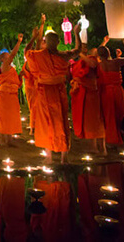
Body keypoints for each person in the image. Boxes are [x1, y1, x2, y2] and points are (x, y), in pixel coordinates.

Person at [25, 22, 81, 164]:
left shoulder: (51, 55)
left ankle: (54, 156)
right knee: (59, 122)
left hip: (49, 91)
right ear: (58, 42)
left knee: (52, 123)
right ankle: (61, 157)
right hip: (53, 91)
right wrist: (76, 33)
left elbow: (26, 52)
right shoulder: (63, 56)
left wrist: (33, 38)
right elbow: (78, 49)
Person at [70, 46, 106, 155]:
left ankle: (101, 148)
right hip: (82, 92)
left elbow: (92, 64)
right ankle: (94, 146)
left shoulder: (92, 60)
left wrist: (80, 54)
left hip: (91, 93)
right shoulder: (79, 62)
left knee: (95, 120)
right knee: (87, 121)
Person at [97, 36, 124, 145]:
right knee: (119, 113)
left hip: (105, 92)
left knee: (108, 115)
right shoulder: (116, 62)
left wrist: (104, 42)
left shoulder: (98, 65)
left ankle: (110, 138)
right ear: (108, 53)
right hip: (117, 91)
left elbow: (99, 52)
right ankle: (120, 137)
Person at [0, 34, 24, 145]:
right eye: (7, 56)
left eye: (9, 55)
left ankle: (10, 139)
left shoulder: (11, 69)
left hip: (13, 95)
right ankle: (4, 139)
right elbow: (13, 55)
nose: (9, 57)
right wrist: (19, 42)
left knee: (12, 117)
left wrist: (20, 76)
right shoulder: (5, 67)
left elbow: (17, 83)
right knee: (4, 117)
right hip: (5, 95)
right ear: (2, 59)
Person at [21, 14, 46, 136]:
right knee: (33, 107)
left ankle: (35, 127)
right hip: (31, 85)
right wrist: (35, 36)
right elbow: (31, 46)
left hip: (39, 84)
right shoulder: (32, 55)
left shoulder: (40, 54)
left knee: (38, 106)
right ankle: (33, 127)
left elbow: (39, 41)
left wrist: (42, 24)